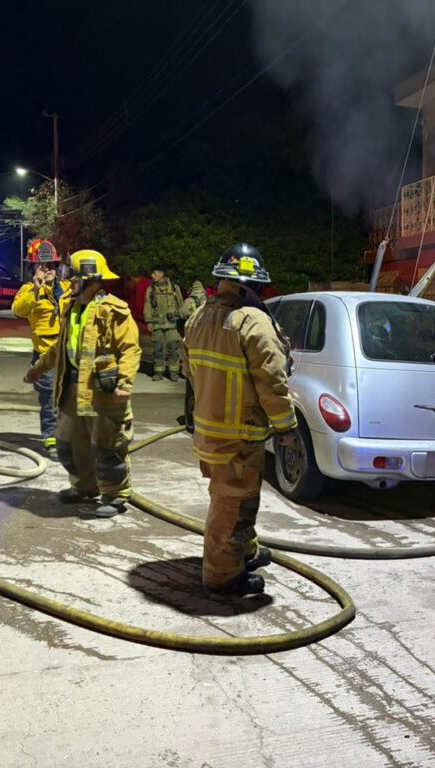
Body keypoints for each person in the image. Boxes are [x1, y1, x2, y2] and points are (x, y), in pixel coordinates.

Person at [182, 243, 297, 595]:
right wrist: (286, 428)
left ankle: (242, 551)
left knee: (240, 499)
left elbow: (190, 372)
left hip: (209, 432)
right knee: (230, 505)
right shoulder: (254, 322)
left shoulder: (199, 317)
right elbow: (272, 382)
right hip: (240, 435)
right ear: (254, 286)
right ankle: (222, 575)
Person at [25, 249, 141, 518]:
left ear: (90, 279)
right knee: (69, 444)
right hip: (72, 388)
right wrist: (38, 369)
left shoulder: (114, 310)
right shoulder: (72, 306)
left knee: (107, 446)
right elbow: (60, 347)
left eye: (73, 275)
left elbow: (130, 349)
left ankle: (115, 495)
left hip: (104, 391)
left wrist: (124, 383)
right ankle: (84, 487)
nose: (69, 281)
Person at [11, 239, 71, 457]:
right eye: (42, 266)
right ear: (33, 268)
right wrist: (37, 290)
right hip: (45, 354)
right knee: (50, 402)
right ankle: (52, 441)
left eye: (51, 266)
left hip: (69, 353)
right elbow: (18, 310)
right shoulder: (28, 290)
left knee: (70, 400)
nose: (47, 270)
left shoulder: (66, 288)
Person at [143, 268, 184, 382]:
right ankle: (158, 372)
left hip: (171, 324)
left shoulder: (175, 288)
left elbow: (180, 305)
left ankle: (174, 372)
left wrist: (180, 319)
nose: (152, 275)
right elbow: (147, 307)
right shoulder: (150, 290)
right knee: (158, 349)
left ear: (161, 274)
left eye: (154, 273)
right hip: (157, 324)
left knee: (173, 349)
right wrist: (149, 322)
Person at [177, 280, 208, 432]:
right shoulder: (209, 303)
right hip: (207, 347)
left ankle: (191, 421)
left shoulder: (189, 301)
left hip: (193, 344)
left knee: (191, 387)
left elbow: (181, 314)